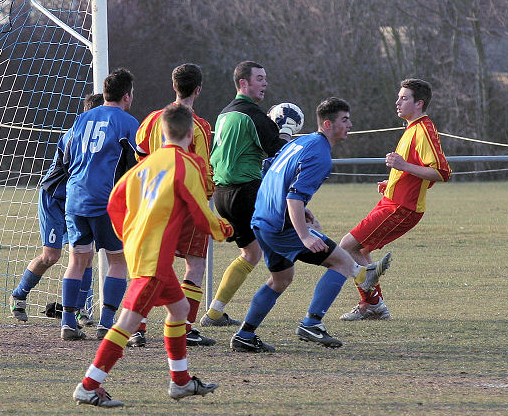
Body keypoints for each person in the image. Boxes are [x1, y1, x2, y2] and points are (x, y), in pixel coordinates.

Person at [72, 104, 233, 408]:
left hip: (140, 249)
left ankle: (181, 382)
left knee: (179, 308)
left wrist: (129, 235)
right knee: (129, 321)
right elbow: (201, 213)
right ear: (189, 133)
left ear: (162, 132)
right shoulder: (186, 163)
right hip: (154, 257)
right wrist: (224, 229)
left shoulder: (143, 166)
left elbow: (114, 204)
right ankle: (89, 385)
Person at [230, 97, 385, 352]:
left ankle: (245, 335)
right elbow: (293, 195)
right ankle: (312, 324)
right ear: (327, 123)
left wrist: (302, 210)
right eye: (344, 120)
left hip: (262, 220)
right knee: (343, 261)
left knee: (280, 280)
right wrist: (304, 235)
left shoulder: (301, 141)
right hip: (281, 226)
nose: (350, 125)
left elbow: (270, 170)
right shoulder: (320, 154)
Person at [337, 79, 451, 322]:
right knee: (361, 250)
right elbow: (416, 172)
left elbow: (441, 172)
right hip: (392, 201)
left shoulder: (423, 129)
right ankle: (373, 305)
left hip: (402, 208)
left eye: (404, 98)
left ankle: (372, 304)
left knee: (347, 246)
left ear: (419, 103)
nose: (398, 102)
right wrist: (393, 181)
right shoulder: (411, 128)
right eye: (399, 97)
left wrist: (402, 166)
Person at [200, 61, 296, 327]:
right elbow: (280, 151)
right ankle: (352, 271)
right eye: (260, 78)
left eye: (266, 78)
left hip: (223, 194)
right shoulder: (251, 114)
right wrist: (288, 132)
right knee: (299, 230)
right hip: (246, 192)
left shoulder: (224, 114)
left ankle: (215, 312)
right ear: (243, 83)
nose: (265, 83)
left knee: (251, 254)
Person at [128, 63, 215, 347]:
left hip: (153, 201)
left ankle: (138, 328)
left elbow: (140, 154)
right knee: (196, 264)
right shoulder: (199, 125)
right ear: (198, 90)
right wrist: (208, 195)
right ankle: (186, 328)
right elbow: (202, 169)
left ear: (173, 86)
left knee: (151, 265)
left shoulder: (152, 119)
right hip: (187, 204)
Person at [10, 93, 104, 326]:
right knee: (51, 256)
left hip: (78, 199)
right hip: (55, 198)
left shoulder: (101, 137)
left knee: (85, 254)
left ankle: (81, 309)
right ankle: (19, 296)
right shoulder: (74, 135)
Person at [60, 68, 139, 340]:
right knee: (117, 260)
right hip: (107, 201)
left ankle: (68, 322)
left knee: (78, 259)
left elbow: (66, 157)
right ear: (127, 96)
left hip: (76, 198)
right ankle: (106, 322)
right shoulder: (128, 122)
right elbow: (141, 163)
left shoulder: (81, 119)